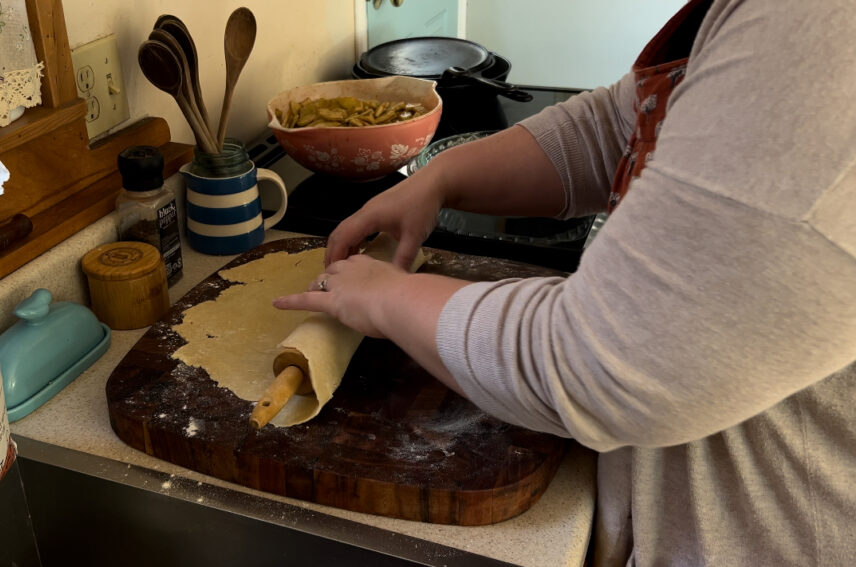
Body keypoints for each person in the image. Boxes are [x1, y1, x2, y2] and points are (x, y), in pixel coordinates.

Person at [273, 0, 856, 565]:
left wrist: (386, 298)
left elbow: (608, 362)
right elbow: (623, 126)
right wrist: (443, 177)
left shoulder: (823, 31)